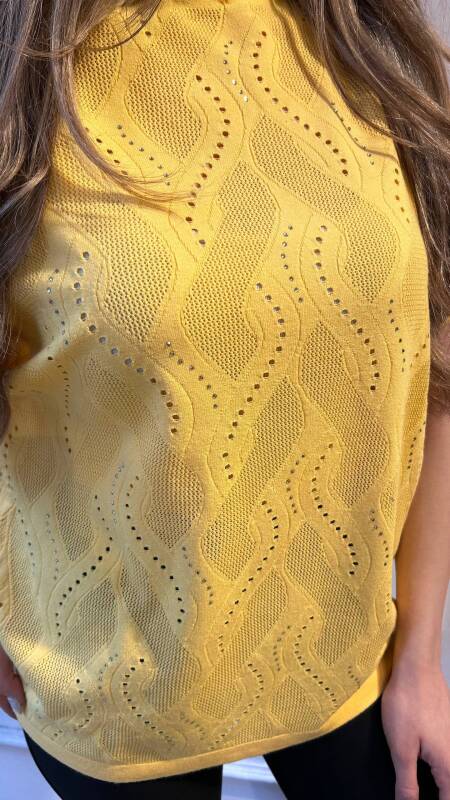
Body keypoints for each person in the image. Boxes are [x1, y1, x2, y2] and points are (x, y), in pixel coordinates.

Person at [0, 0, 449, 798]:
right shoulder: (26, 73)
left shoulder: (366, 41)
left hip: (347, 650)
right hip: (112, 678)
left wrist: (420, 655)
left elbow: (436, 366)